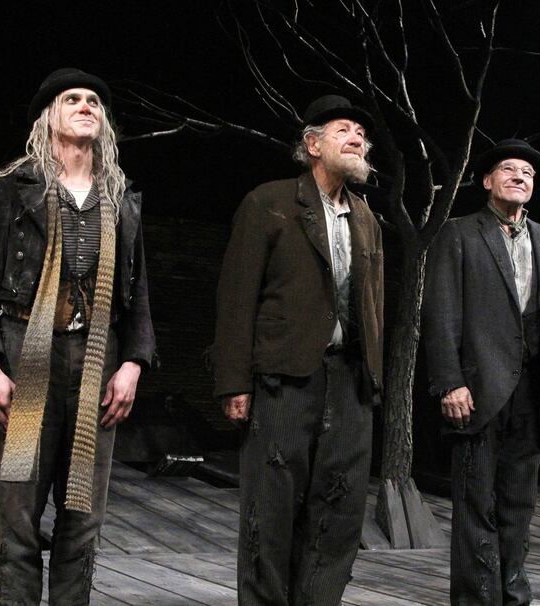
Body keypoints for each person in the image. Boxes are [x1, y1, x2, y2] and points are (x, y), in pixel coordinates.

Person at [0, 68, 156, 605]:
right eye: (72, 98)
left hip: (96, 362)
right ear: (49, 114)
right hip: (27, 356)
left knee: (82, 517)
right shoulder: (11, 188)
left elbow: (137, 289)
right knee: (20, 515)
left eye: (94, 100)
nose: (85, 105)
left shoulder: (120, 199)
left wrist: (134, 364)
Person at [212, 94, 384, 605]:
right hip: (285, 380)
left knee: (338, 516)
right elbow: (237, 295)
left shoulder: (367, 219)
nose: (357, 139)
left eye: (362, 135)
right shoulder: (270, 201)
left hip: (350, 383)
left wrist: (375, 379)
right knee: (272, 512)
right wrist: (233, 381)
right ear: (312, 144)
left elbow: (375, 307)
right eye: (344, 131)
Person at [422, 138, 540, 605]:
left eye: (527, 173)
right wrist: (449, 380)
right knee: (475, 507)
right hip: (479, 389)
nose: (519, 177)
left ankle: (513, 597)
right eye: (508, 169)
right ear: (487, 181)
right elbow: (440, 312)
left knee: (518, 507)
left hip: (533, 393)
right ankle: (475, 599)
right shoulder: (460, 232)